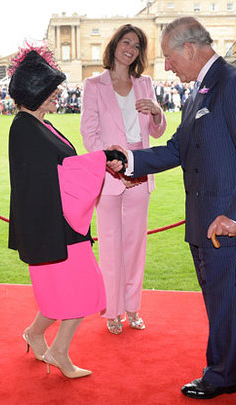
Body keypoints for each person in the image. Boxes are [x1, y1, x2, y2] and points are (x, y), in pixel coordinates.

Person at [108, 16, 236, 400]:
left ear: (189, 48)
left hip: (226, 224)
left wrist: (235, 216)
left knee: (224, 300)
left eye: (168, 56)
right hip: (206, 219)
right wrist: (129, 161)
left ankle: (222, 374)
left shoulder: (233, 85)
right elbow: (178, 149)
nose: (166, 65)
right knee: (226, 300)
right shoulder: (202, 89)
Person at [7, 47, 126, 379]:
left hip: (60, 223)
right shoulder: (25, 129)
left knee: (65, 291)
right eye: (50, 89)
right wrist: (101, 157)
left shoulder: (37, 124)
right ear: (34, 94)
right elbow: (58, 173)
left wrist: (100, 160)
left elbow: (64, 170)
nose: (57, 93)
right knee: (83, 289)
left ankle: (34, 334)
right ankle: (58, 351)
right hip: (54, 226)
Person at [80, 24, 166, 335]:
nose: (130, 48)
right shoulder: (94, 85)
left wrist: (157, 112)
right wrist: (112, 163)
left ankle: (132, 308)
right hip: (109, 174)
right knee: (111, 248)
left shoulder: (145, 84)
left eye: (137, 45)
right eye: (126, 42)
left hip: (140, 172)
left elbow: (157, 132)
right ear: (115, 45)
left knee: (135, 245)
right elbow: (90, 135)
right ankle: (112, 311)